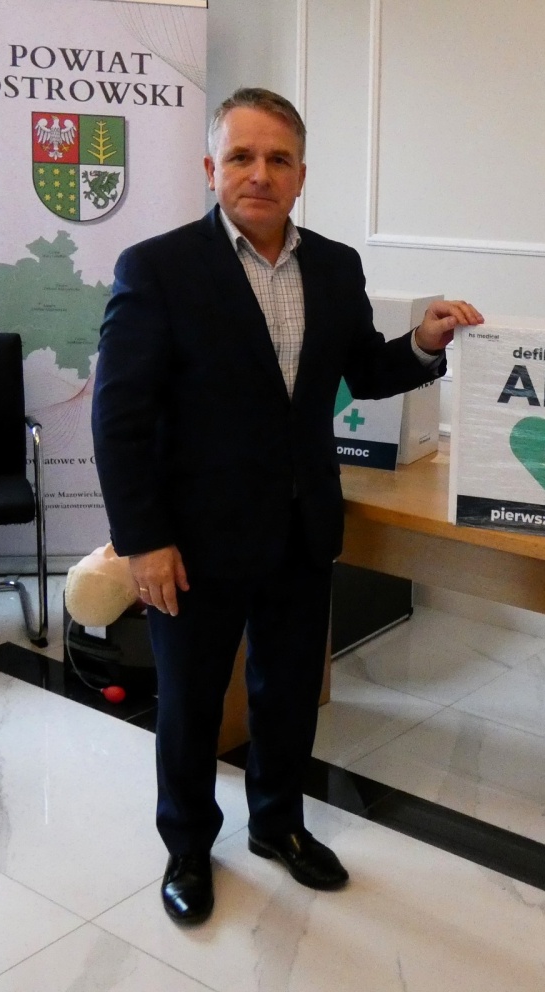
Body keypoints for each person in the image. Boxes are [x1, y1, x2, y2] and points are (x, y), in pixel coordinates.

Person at [93, 87, 483, 926]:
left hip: (301, 530)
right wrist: (143, 540)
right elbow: (118, 418)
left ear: (302, 175)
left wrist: (424, 344)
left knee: (289, 693)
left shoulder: (335, 266)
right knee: (192, 703)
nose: (259, 174)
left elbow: (363, 373)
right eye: (241, 157)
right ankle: (188, 846)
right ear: (211, 168)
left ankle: (278, 824)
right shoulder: (156, 268)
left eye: (278, 159)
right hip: (192, 541)